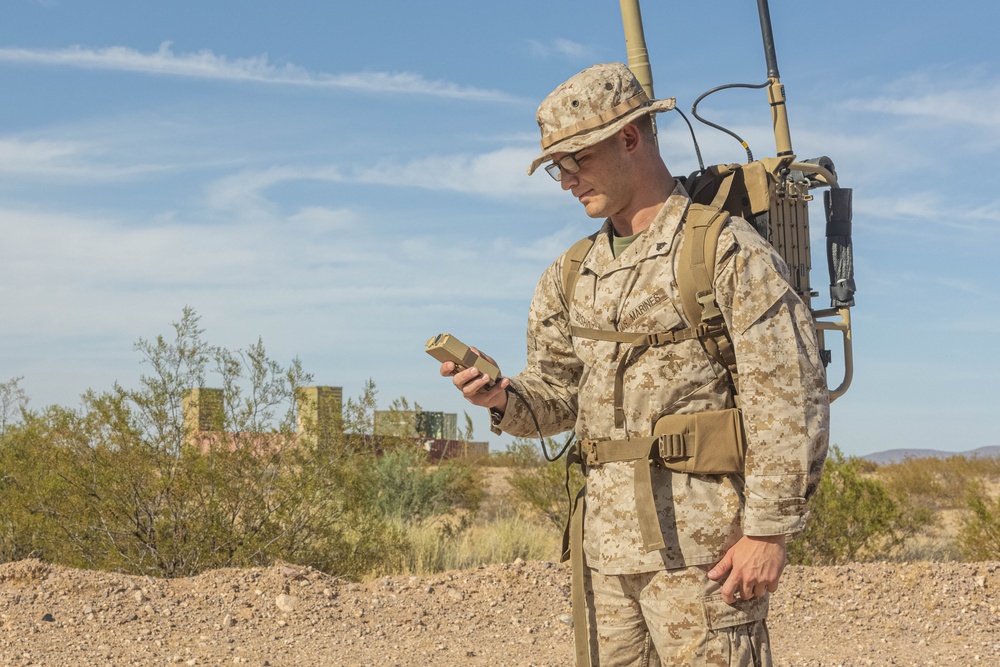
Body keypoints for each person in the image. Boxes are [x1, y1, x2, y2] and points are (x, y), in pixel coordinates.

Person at [439, 62, 830, 666]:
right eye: (557, 169)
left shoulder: (724, 250)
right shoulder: (569, 274)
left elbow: (789, 396)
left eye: (578, 160)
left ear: (631, 137)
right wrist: (501, 397)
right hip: (606, 555)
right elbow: (560, 396)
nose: (567, 180)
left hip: (706, 555)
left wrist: (768, 531)